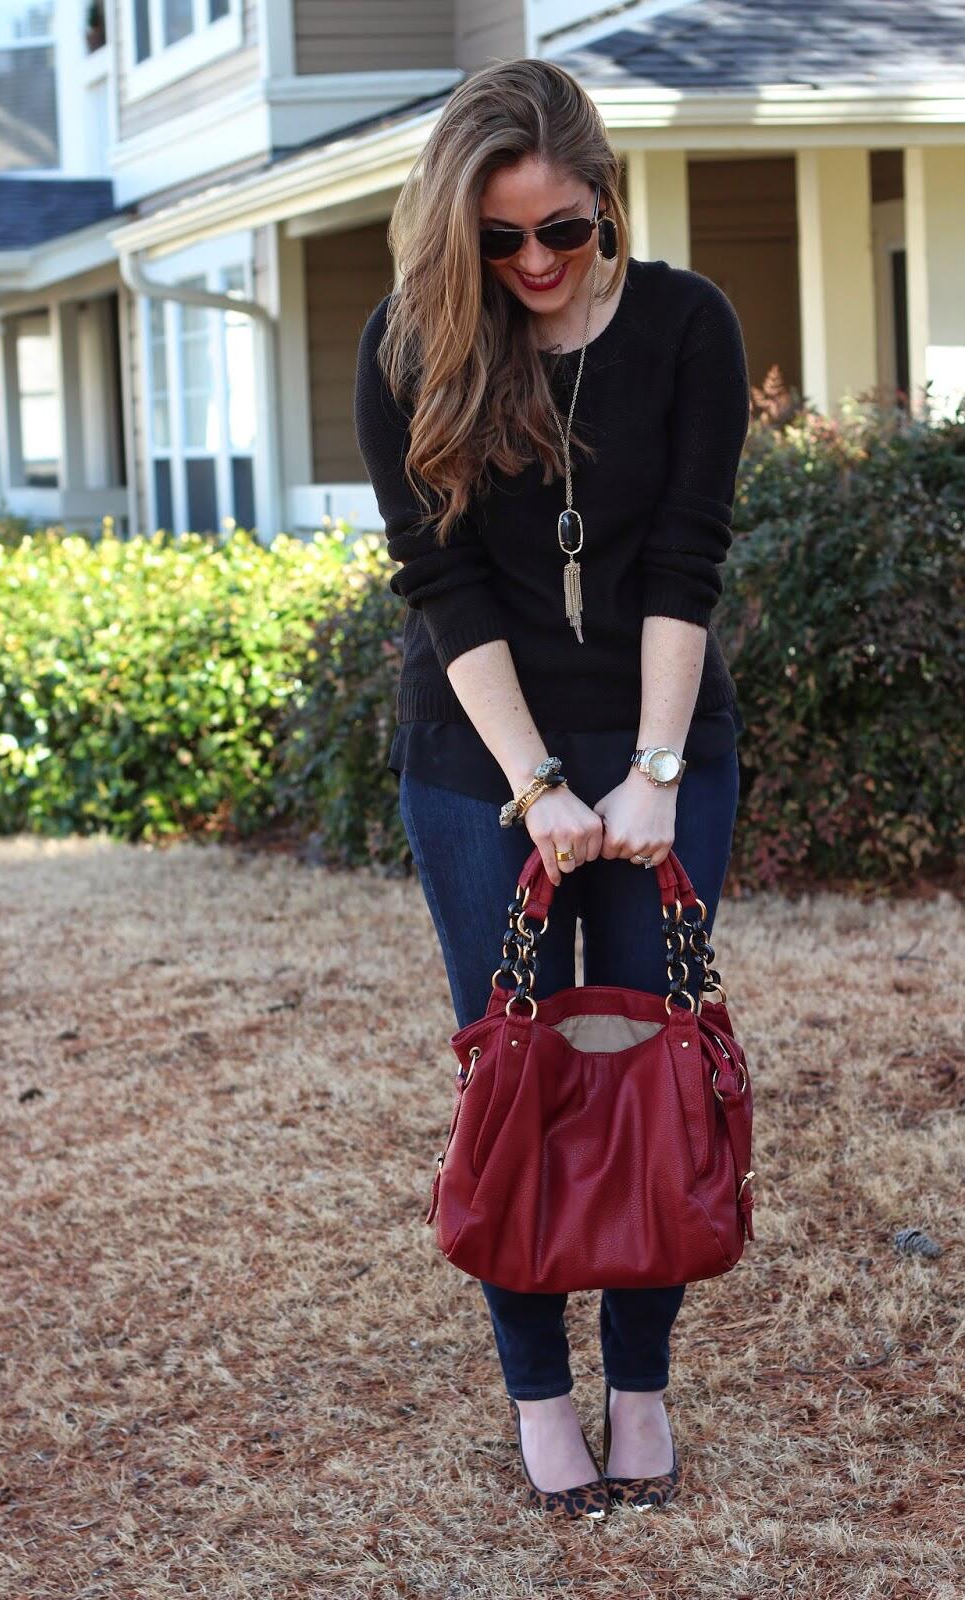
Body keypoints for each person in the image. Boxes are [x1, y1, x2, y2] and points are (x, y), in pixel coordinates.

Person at [353, 58, 751, 1521]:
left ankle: (636, 1387)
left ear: (605, 206)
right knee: (512, 1075)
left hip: (661, 749)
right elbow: (441, 585)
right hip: (476, 761)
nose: (530, 263)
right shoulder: (411, 343)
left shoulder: (684, 327)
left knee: (651, 1072)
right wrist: (535, 786)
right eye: (498, 238)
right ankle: (537, 1396)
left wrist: (645, 775)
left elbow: (682, 557)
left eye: (559, 232)